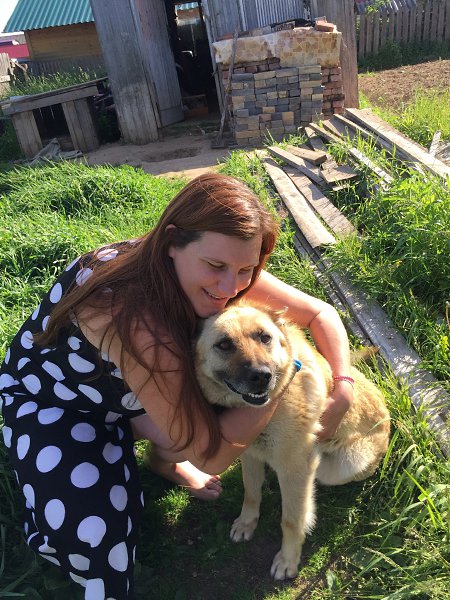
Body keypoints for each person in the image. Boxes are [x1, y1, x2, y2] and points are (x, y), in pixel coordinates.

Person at [0, 173, 353, 599]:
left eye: (246, 269)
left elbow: (320, 314)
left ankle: (161, 458)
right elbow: (213, 455)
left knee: (192, 420)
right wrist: (285, 375)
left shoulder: (215, 267)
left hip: (130, 398)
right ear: (171, 242)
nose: (231, 289)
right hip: (57, 402)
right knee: (98, 544)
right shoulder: (127, 312)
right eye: (217, 267)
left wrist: (344, 385)